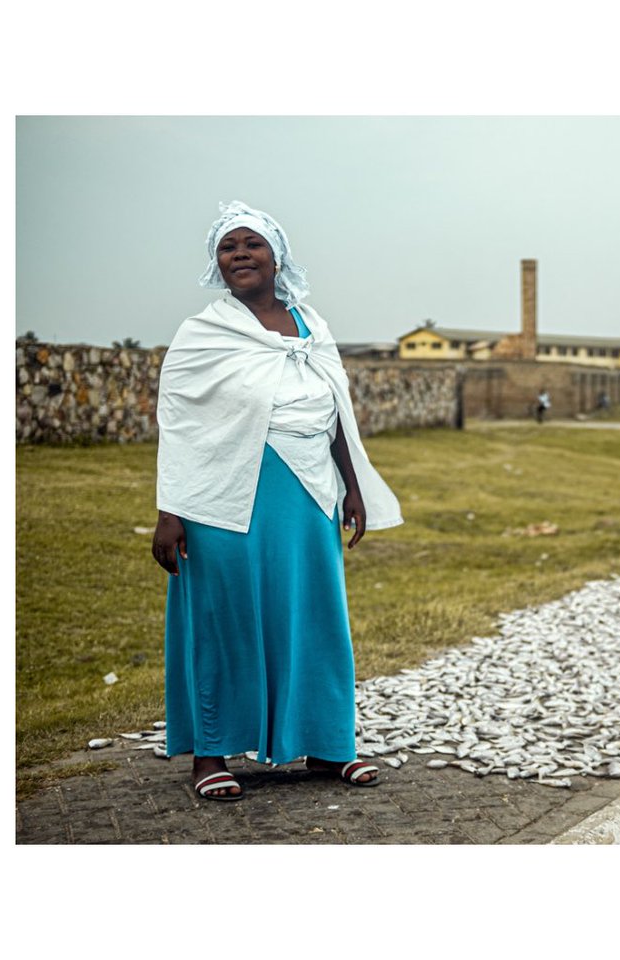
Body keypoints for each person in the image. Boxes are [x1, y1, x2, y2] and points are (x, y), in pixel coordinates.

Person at [153, 201, 403, 801]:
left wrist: (353, 487)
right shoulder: (204, 333)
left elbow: (336, 411)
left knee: (315, 613)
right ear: (219, 263)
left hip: (310, 488)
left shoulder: (312, 324)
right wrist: (169, 511)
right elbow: (180, 424)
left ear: (276, 255)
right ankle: (209, 755)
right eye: (228, 247)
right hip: (224, 497)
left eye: (252, 244)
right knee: (223, 614)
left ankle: (328, 747)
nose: (240, 254)